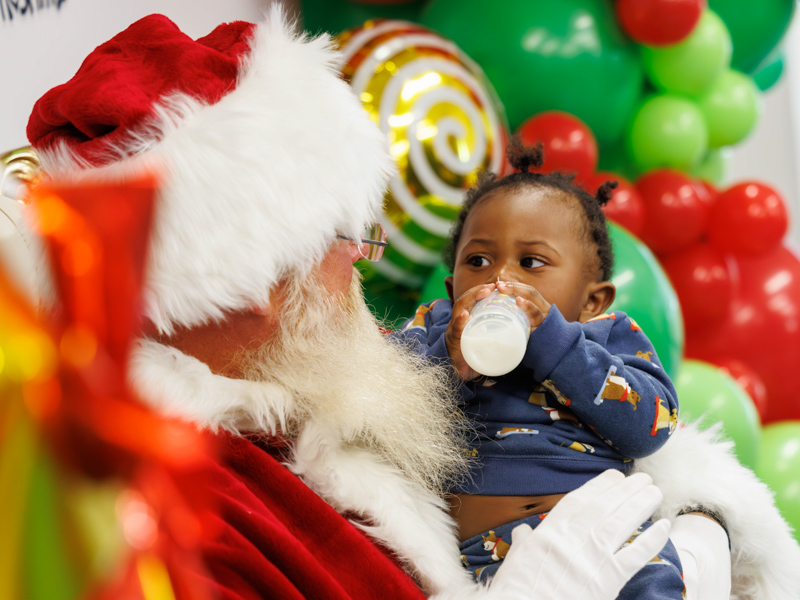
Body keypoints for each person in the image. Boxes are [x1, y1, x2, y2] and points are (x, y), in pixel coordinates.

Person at [21, 6, 800, 600]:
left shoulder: (312, 395)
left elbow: (628, 426)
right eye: (343, 237)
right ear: (252, 278)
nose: (363, 264)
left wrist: (703, 510)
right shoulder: (159, 517)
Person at [395, 139, 686, 598]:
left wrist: (556, 343)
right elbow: (381, 412)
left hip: (595, 539)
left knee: (650, 576)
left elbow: (652, 425)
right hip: (466, 559)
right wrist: (446, 361)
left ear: (592, 301)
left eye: (531, 262)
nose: (501, 279)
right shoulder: (435, 327)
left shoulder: (605, 339)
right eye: (478, 261)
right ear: (452, 287)